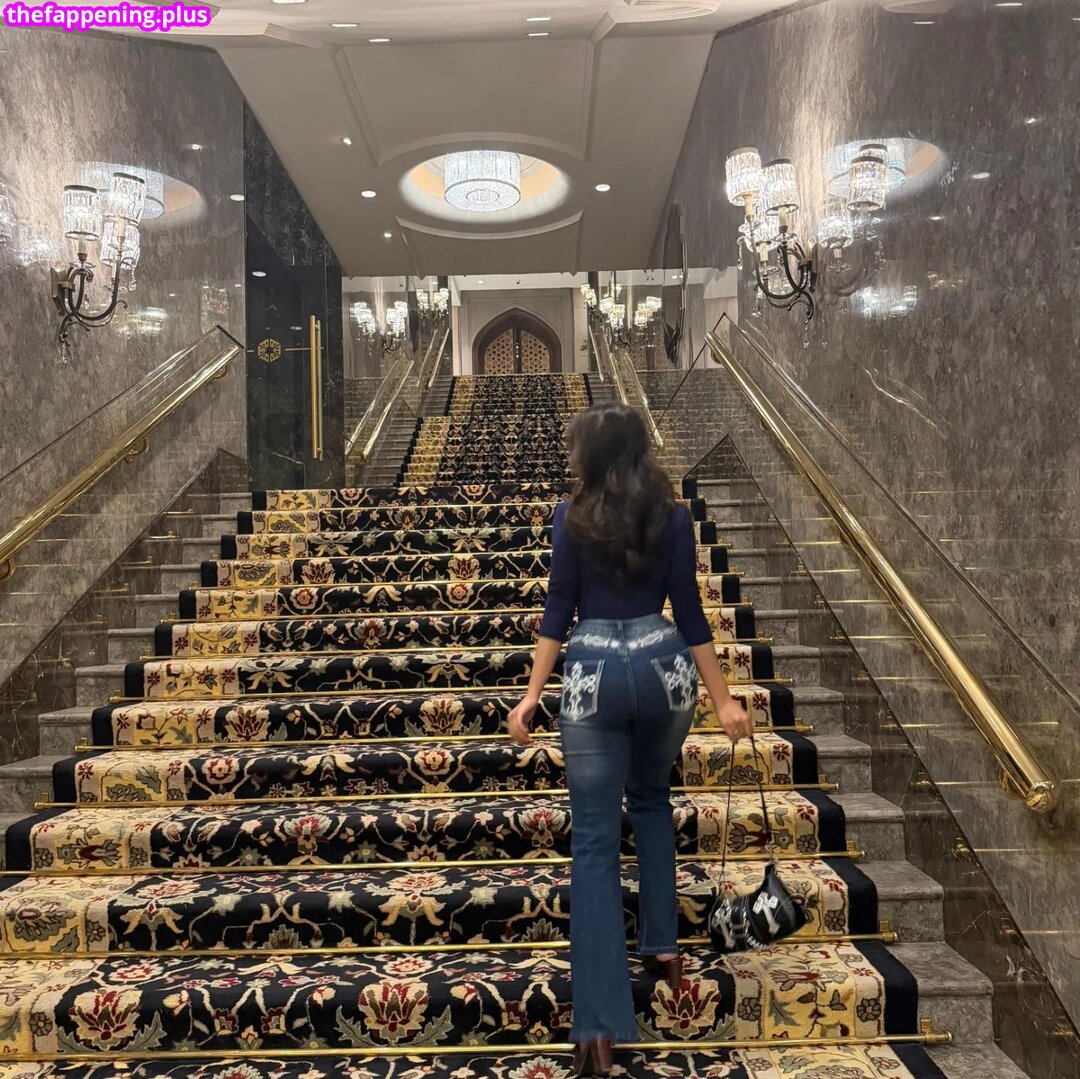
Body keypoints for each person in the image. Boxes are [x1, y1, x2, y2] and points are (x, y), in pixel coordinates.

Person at [507, 403, 753, 1076]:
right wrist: (724, 699)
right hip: (664, 670)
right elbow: (690, 611)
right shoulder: (672, 517)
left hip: (592, 675)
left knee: (593, 841)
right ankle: (664, 947)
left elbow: (558, 609)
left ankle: (598, 1030)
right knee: (649, 801)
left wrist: (531, 694)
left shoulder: (569, 516)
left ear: (590, 454)